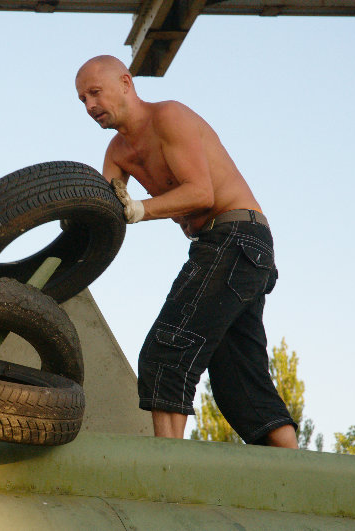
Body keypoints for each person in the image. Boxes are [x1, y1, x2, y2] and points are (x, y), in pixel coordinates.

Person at [75, 55, 298, 448]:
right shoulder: (117, 152)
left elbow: (201, 193)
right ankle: (296, 472)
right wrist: (76, 221)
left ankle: (167, 468)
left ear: (126, 83)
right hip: (229, 248)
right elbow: (108, 209)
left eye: (95, 93)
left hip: (237, 237)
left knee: (167, 351)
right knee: (240, 384)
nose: (91, 106)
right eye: (83, 100)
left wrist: (140, 209)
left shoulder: (169, 117)